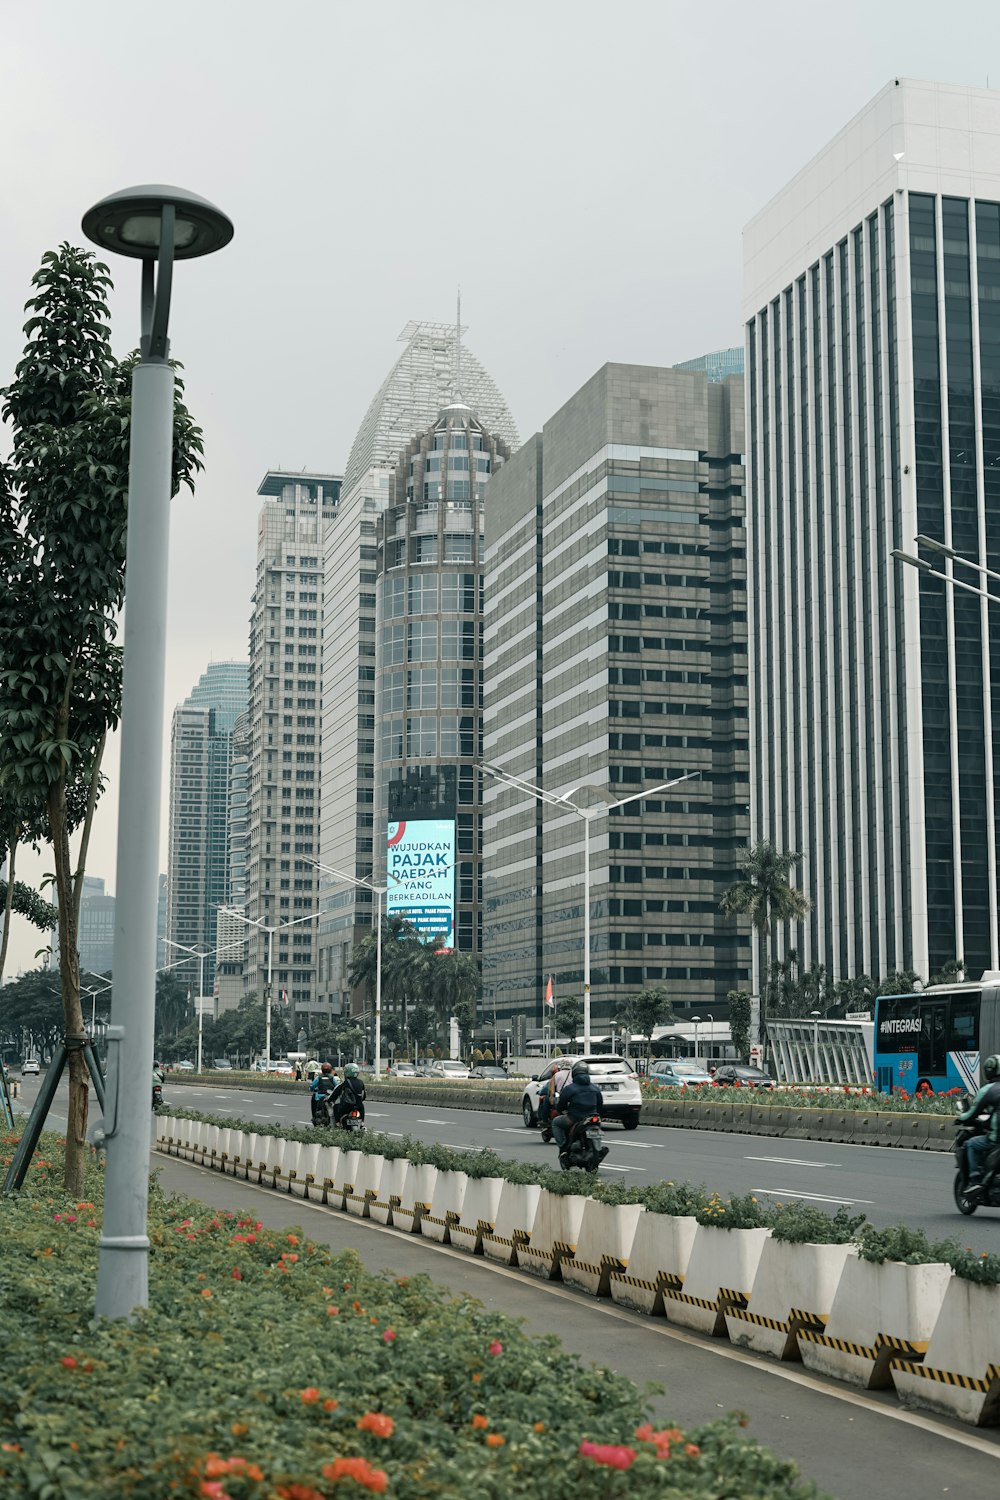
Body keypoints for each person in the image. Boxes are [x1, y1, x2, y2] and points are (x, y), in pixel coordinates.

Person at [958, 1054, 1000, 1190]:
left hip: (996, 1138)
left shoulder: (988, 1090)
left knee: (970, 1144)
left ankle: (975, 1179)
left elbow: (972, 1113)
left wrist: (960, 1117)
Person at [551, 1062, 606, 1163]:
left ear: (574, 1074)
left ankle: (563, 1147)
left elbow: (561, 1105)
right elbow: (600, 1105)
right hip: (593, 1117)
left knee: (556, 1122)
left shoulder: (570, 1089)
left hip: (575, 1118)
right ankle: (596, 1149)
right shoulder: (595, 1088)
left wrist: (559, 1109)